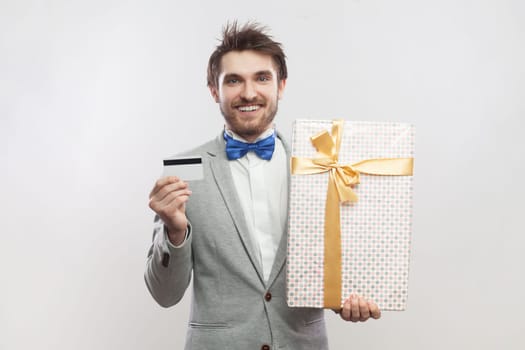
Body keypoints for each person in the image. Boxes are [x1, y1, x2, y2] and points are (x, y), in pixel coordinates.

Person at [145, 21, 381, 350]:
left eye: (262, 77)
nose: (249, 92)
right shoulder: (184, 171)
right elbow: (164, 294)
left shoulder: (325, 166)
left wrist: (350, 295)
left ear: (281, 85)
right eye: (233, 80)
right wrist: (174, 232)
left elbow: (344, 257)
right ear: (215, 90)